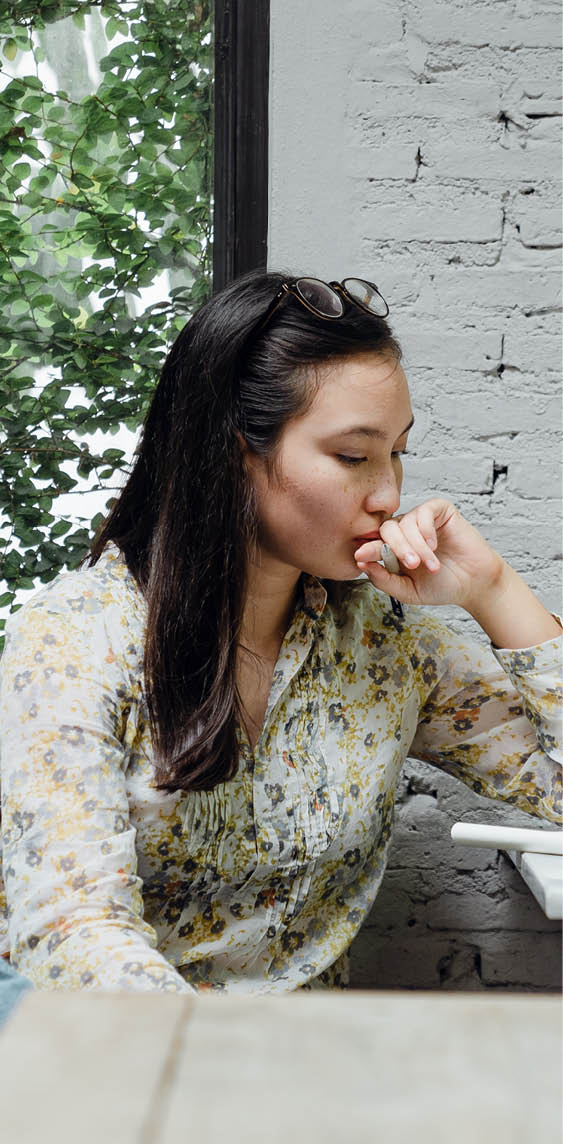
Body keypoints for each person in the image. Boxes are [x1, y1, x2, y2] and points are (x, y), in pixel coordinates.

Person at [0, 270, 561, 1001]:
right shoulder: (75, 640)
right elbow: (71, 932)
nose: (389, 493)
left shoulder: (384, 645)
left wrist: (494, 591)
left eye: (397, 452)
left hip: (302, 1054)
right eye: (353, 456)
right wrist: (230, 1059)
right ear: (234, 451)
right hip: (123, 1052)